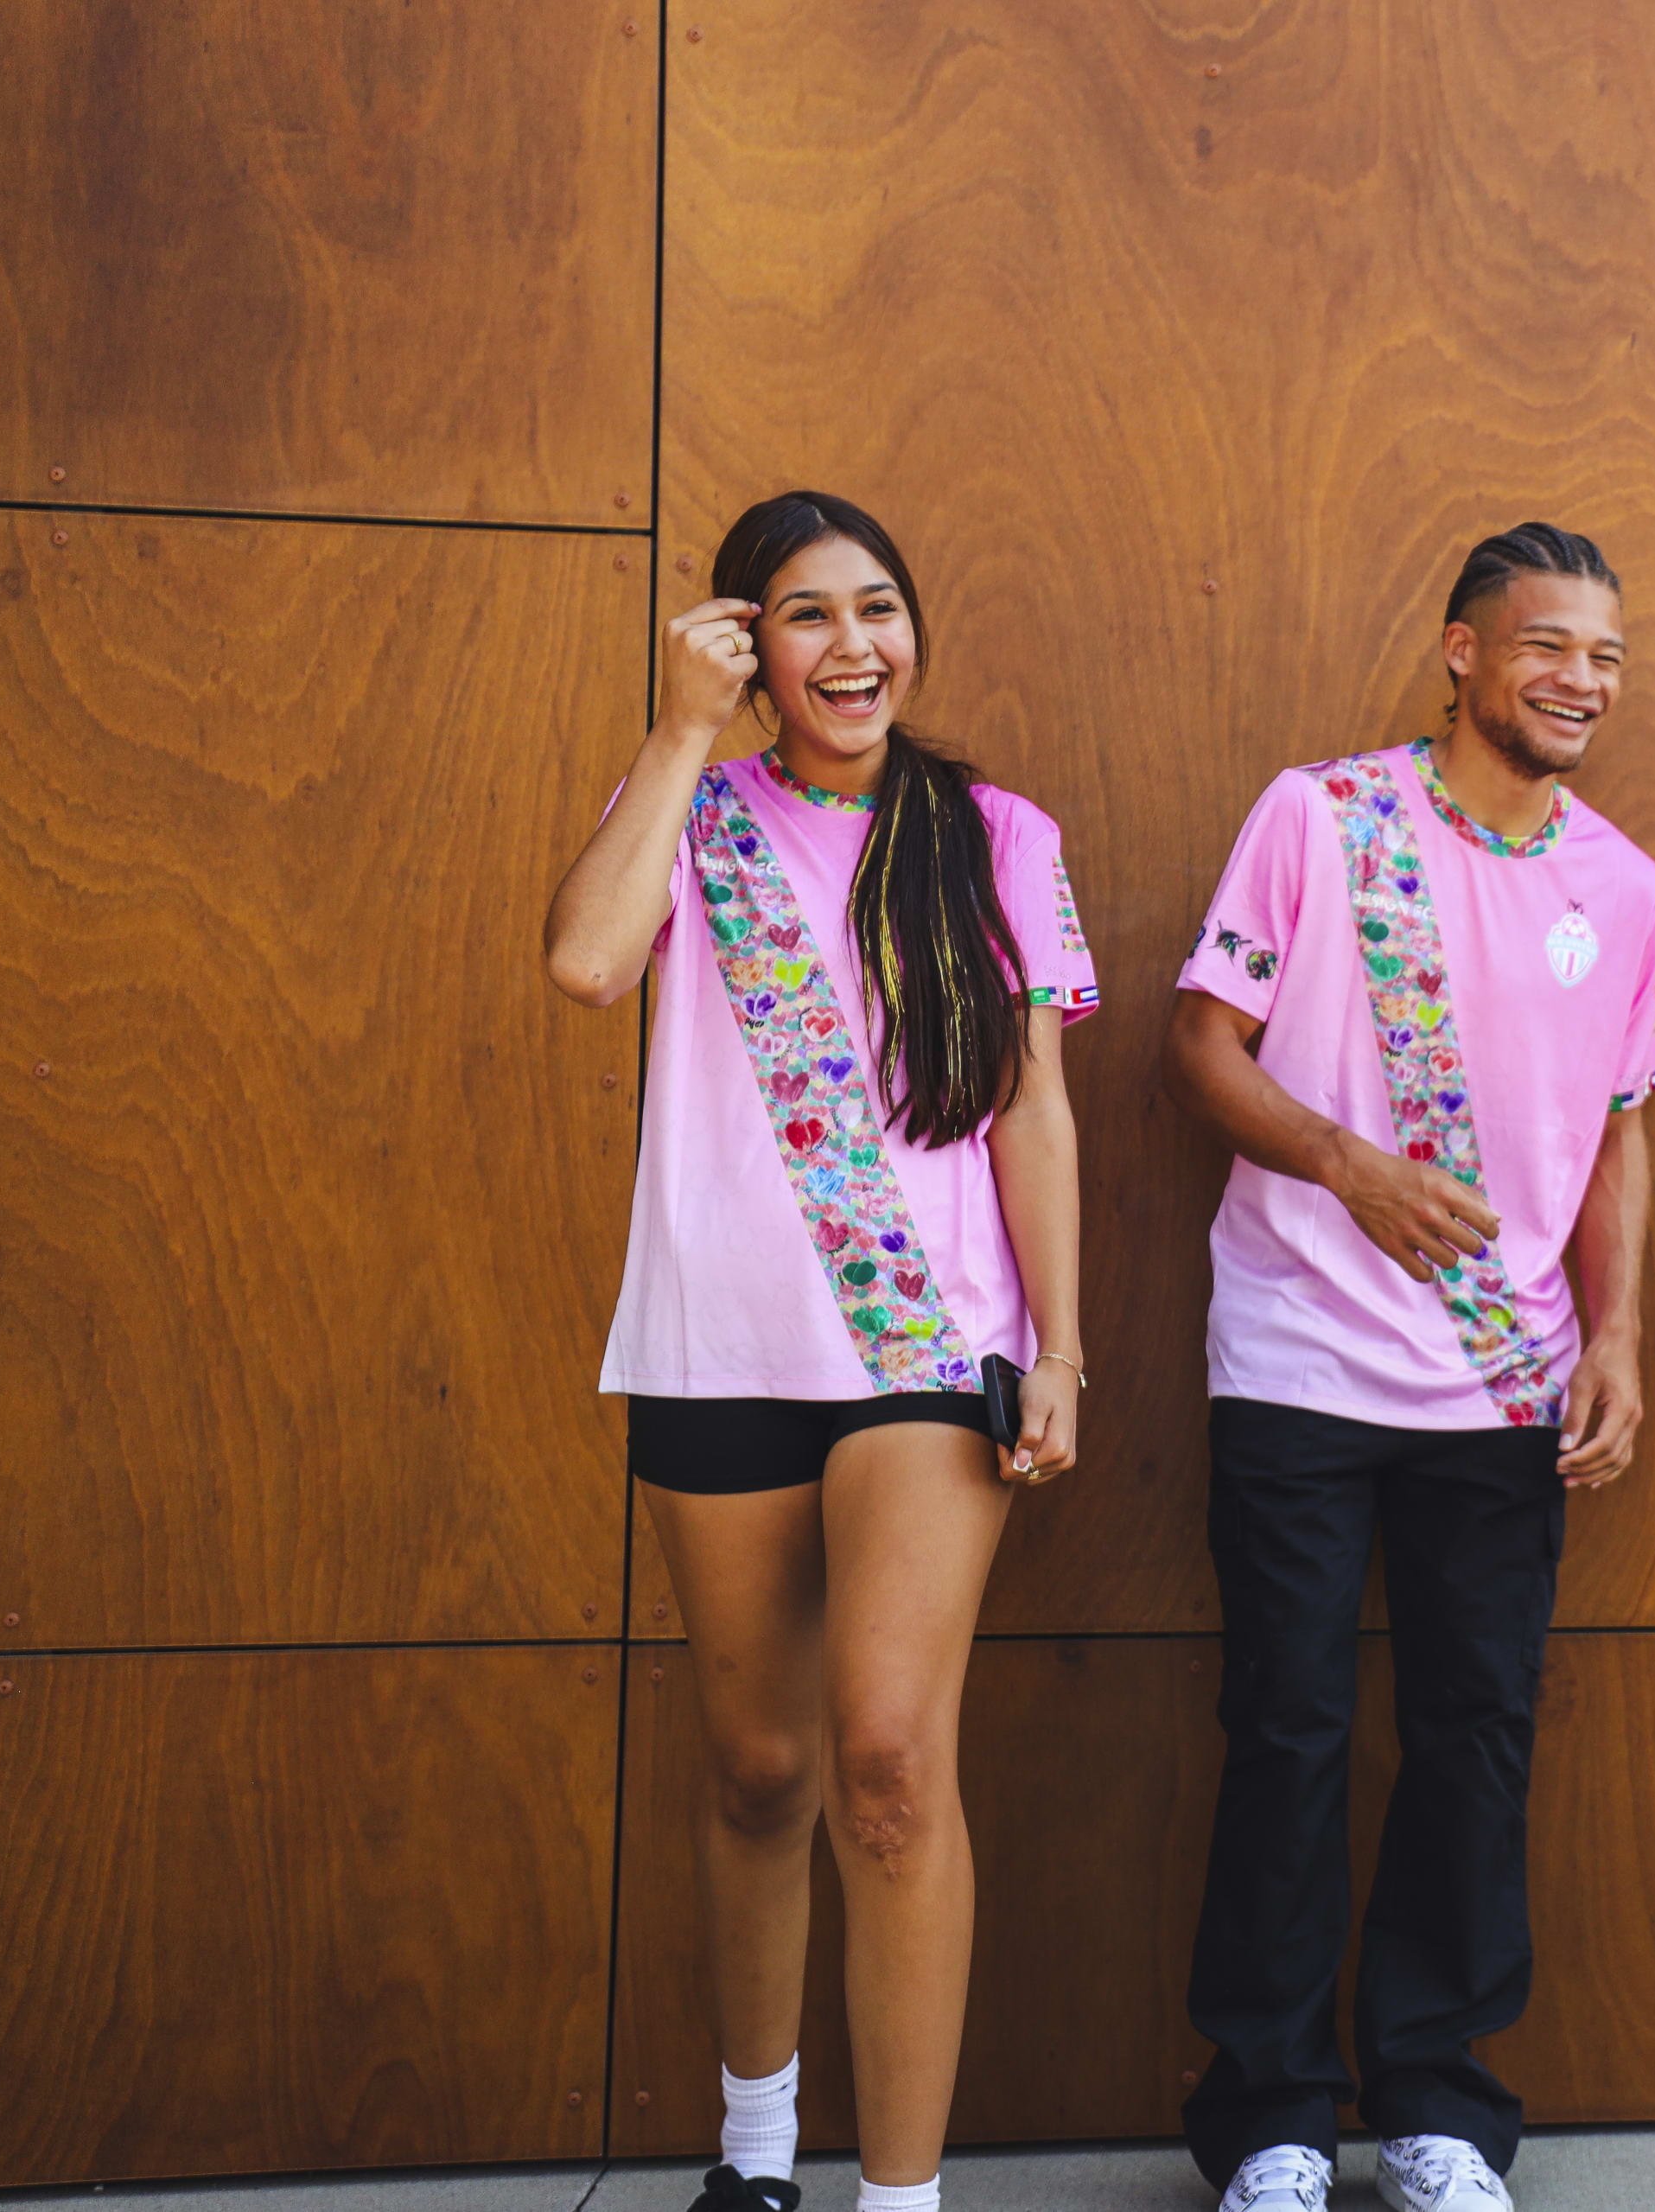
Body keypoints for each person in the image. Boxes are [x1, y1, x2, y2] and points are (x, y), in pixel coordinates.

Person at [541, 490, 1098, 2212]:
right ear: (747, 645)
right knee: (759, 1766)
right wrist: (677, 731)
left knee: (887, 1759)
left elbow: (1033, 1107)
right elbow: (585, 962)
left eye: (878, 608)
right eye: (806, 615)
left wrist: (1062, 1347)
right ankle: (758, 2153)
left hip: (928, 1341)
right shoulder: (691, 808)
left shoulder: (994, 832)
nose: (854, 646)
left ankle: (903, 2200)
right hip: (717, 1341)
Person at [1162, 523, 1655, 2212]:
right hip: (1297, 1358)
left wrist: (1615, 1334)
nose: (1581, 681)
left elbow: (1619, 1129)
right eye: (1547, 646)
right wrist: (1345, 1164)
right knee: (1288, 1730)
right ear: (1462, 651)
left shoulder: (1625, 883)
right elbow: (1199, 1045)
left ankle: (1440, 2106)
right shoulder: (1320, 816)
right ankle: (1273, 2124)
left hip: (1507, 1386)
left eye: (1605, 655)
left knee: (1479, 1732)